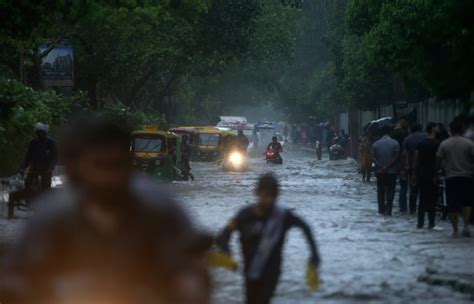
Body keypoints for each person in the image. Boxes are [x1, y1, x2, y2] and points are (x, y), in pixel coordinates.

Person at [1, 116, 211, 304]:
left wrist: (189, 286)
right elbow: (19, 273)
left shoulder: (161, 208)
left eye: (118, 165)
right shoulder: (51, 215)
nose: (110, 177)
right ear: (74, 169)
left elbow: (191, 268)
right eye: (100, 165)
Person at [216, 173, 320, 304]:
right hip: (250, 272)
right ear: (257, 193)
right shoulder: (244, 215)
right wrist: (226, 252)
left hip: (271, 273)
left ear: (277, 196)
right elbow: (224, 235)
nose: (268, 200)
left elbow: (306, 228)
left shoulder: (283, 216)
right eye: (265, 195)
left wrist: (314, 255)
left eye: (272, 196)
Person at [436, 116, 474, 237]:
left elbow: (438, 161)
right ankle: (466, 226)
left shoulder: (444, 144)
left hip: (451, 177)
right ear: (462, 129)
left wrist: (438, 172)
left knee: (452, 204)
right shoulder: (469, 143)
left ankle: (455, 230)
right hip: (467, 176)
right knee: (467, 202)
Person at [412, 122, 439, 229]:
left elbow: (416, 159)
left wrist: (414, 174)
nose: (438, 128)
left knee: (422, 198)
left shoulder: (421, 143)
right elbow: (439, 160)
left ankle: (420, 223)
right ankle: (431, 223)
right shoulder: (437, 143)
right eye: (436, 127)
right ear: (433, 129)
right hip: (433, 174)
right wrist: (437, 173)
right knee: (432, 199)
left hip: (421, 174)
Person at [21, 123, 58, 197]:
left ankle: (46, 201)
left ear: (45, 133)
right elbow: (28, 156)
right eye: (38, 133)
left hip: (47, 168)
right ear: (36, 133)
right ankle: (28, 197)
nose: (40, 135)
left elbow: (55, 157)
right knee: (28, 182)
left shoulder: (51, 142)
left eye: (42, 133)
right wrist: (23, 168)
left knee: (46, 186)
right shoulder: (33, 142)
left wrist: (51, 167)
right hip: (34, 167)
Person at [372, 125, 400, 216]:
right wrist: (387, 167)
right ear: (390, 133)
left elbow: (373, 158)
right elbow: (396, 157)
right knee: (391, 191)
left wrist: (381, 167)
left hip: (379, 172)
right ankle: (389, 210)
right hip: (392, 172)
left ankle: (381, 210)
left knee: (380, 191)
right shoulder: (395, 143)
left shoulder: (375, 144)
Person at [402, 123, 427, 214]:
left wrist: (405, 167)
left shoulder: (408, 139)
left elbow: (405, 154)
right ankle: (424, 208)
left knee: (413, 188)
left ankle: (412, 209)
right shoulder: (426, 137)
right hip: (426, 166)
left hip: (412, 167)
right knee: (425, 189)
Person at [392, 117, 410, 213]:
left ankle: (393, 207)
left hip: (394, 163)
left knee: (392, 186)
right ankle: (404, 208)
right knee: (404, 186)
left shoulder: (394, 134)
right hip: (404, 163)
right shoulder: (406, 134)